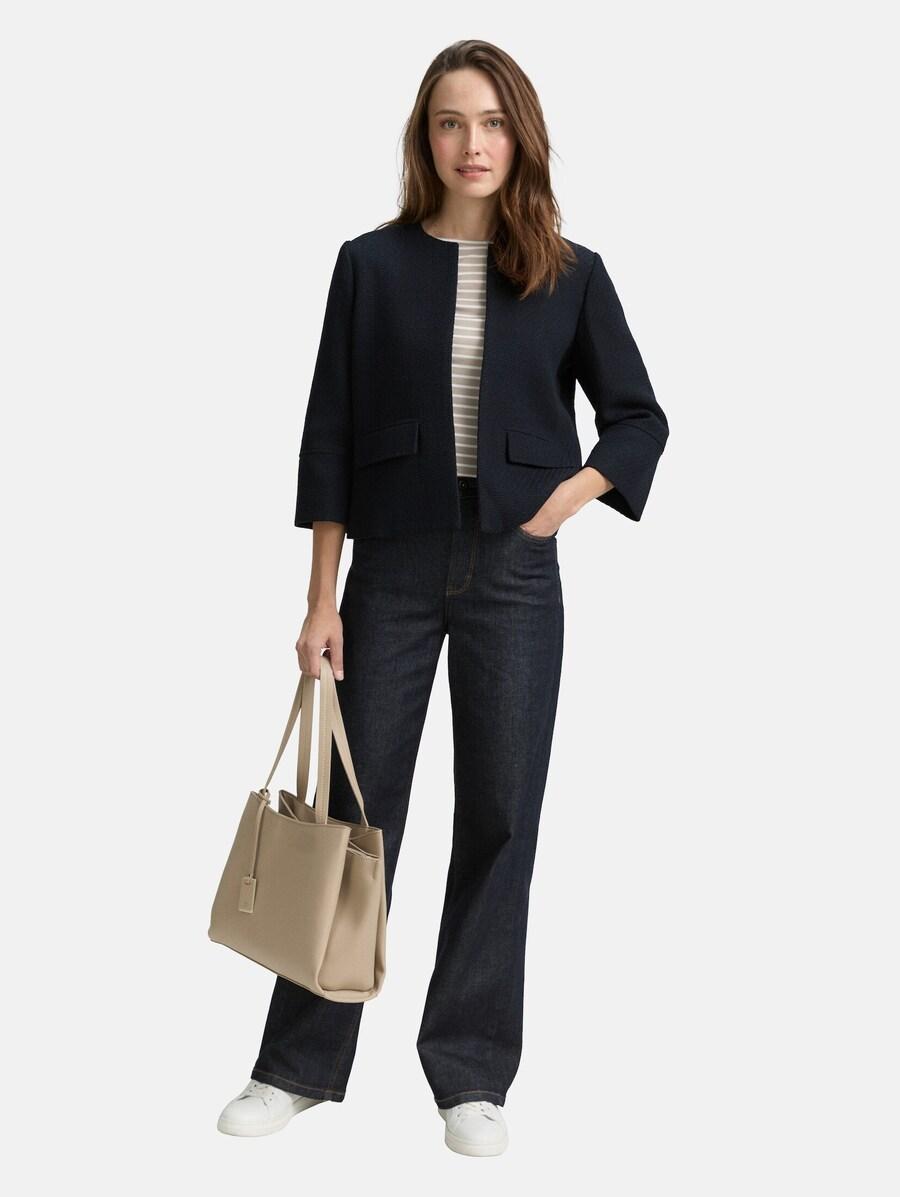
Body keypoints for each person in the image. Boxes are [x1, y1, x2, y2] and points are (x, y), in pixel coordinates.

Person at [217, 38, 669, 1157]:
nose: (474, 144)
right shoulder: (369, 266)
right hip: (394, 569)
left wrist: (564, 501)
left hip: (516, 571)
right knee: (351, 816)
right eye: (451, 122)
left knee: (502, 815)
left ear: (522, 136)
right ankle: (298, 1066)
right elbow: (329, 437)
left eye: (494, 122)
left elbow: (639, 418)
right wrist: (321, 601)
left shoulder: (570, 272)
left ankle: (471, 1073)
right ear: (426, 138)